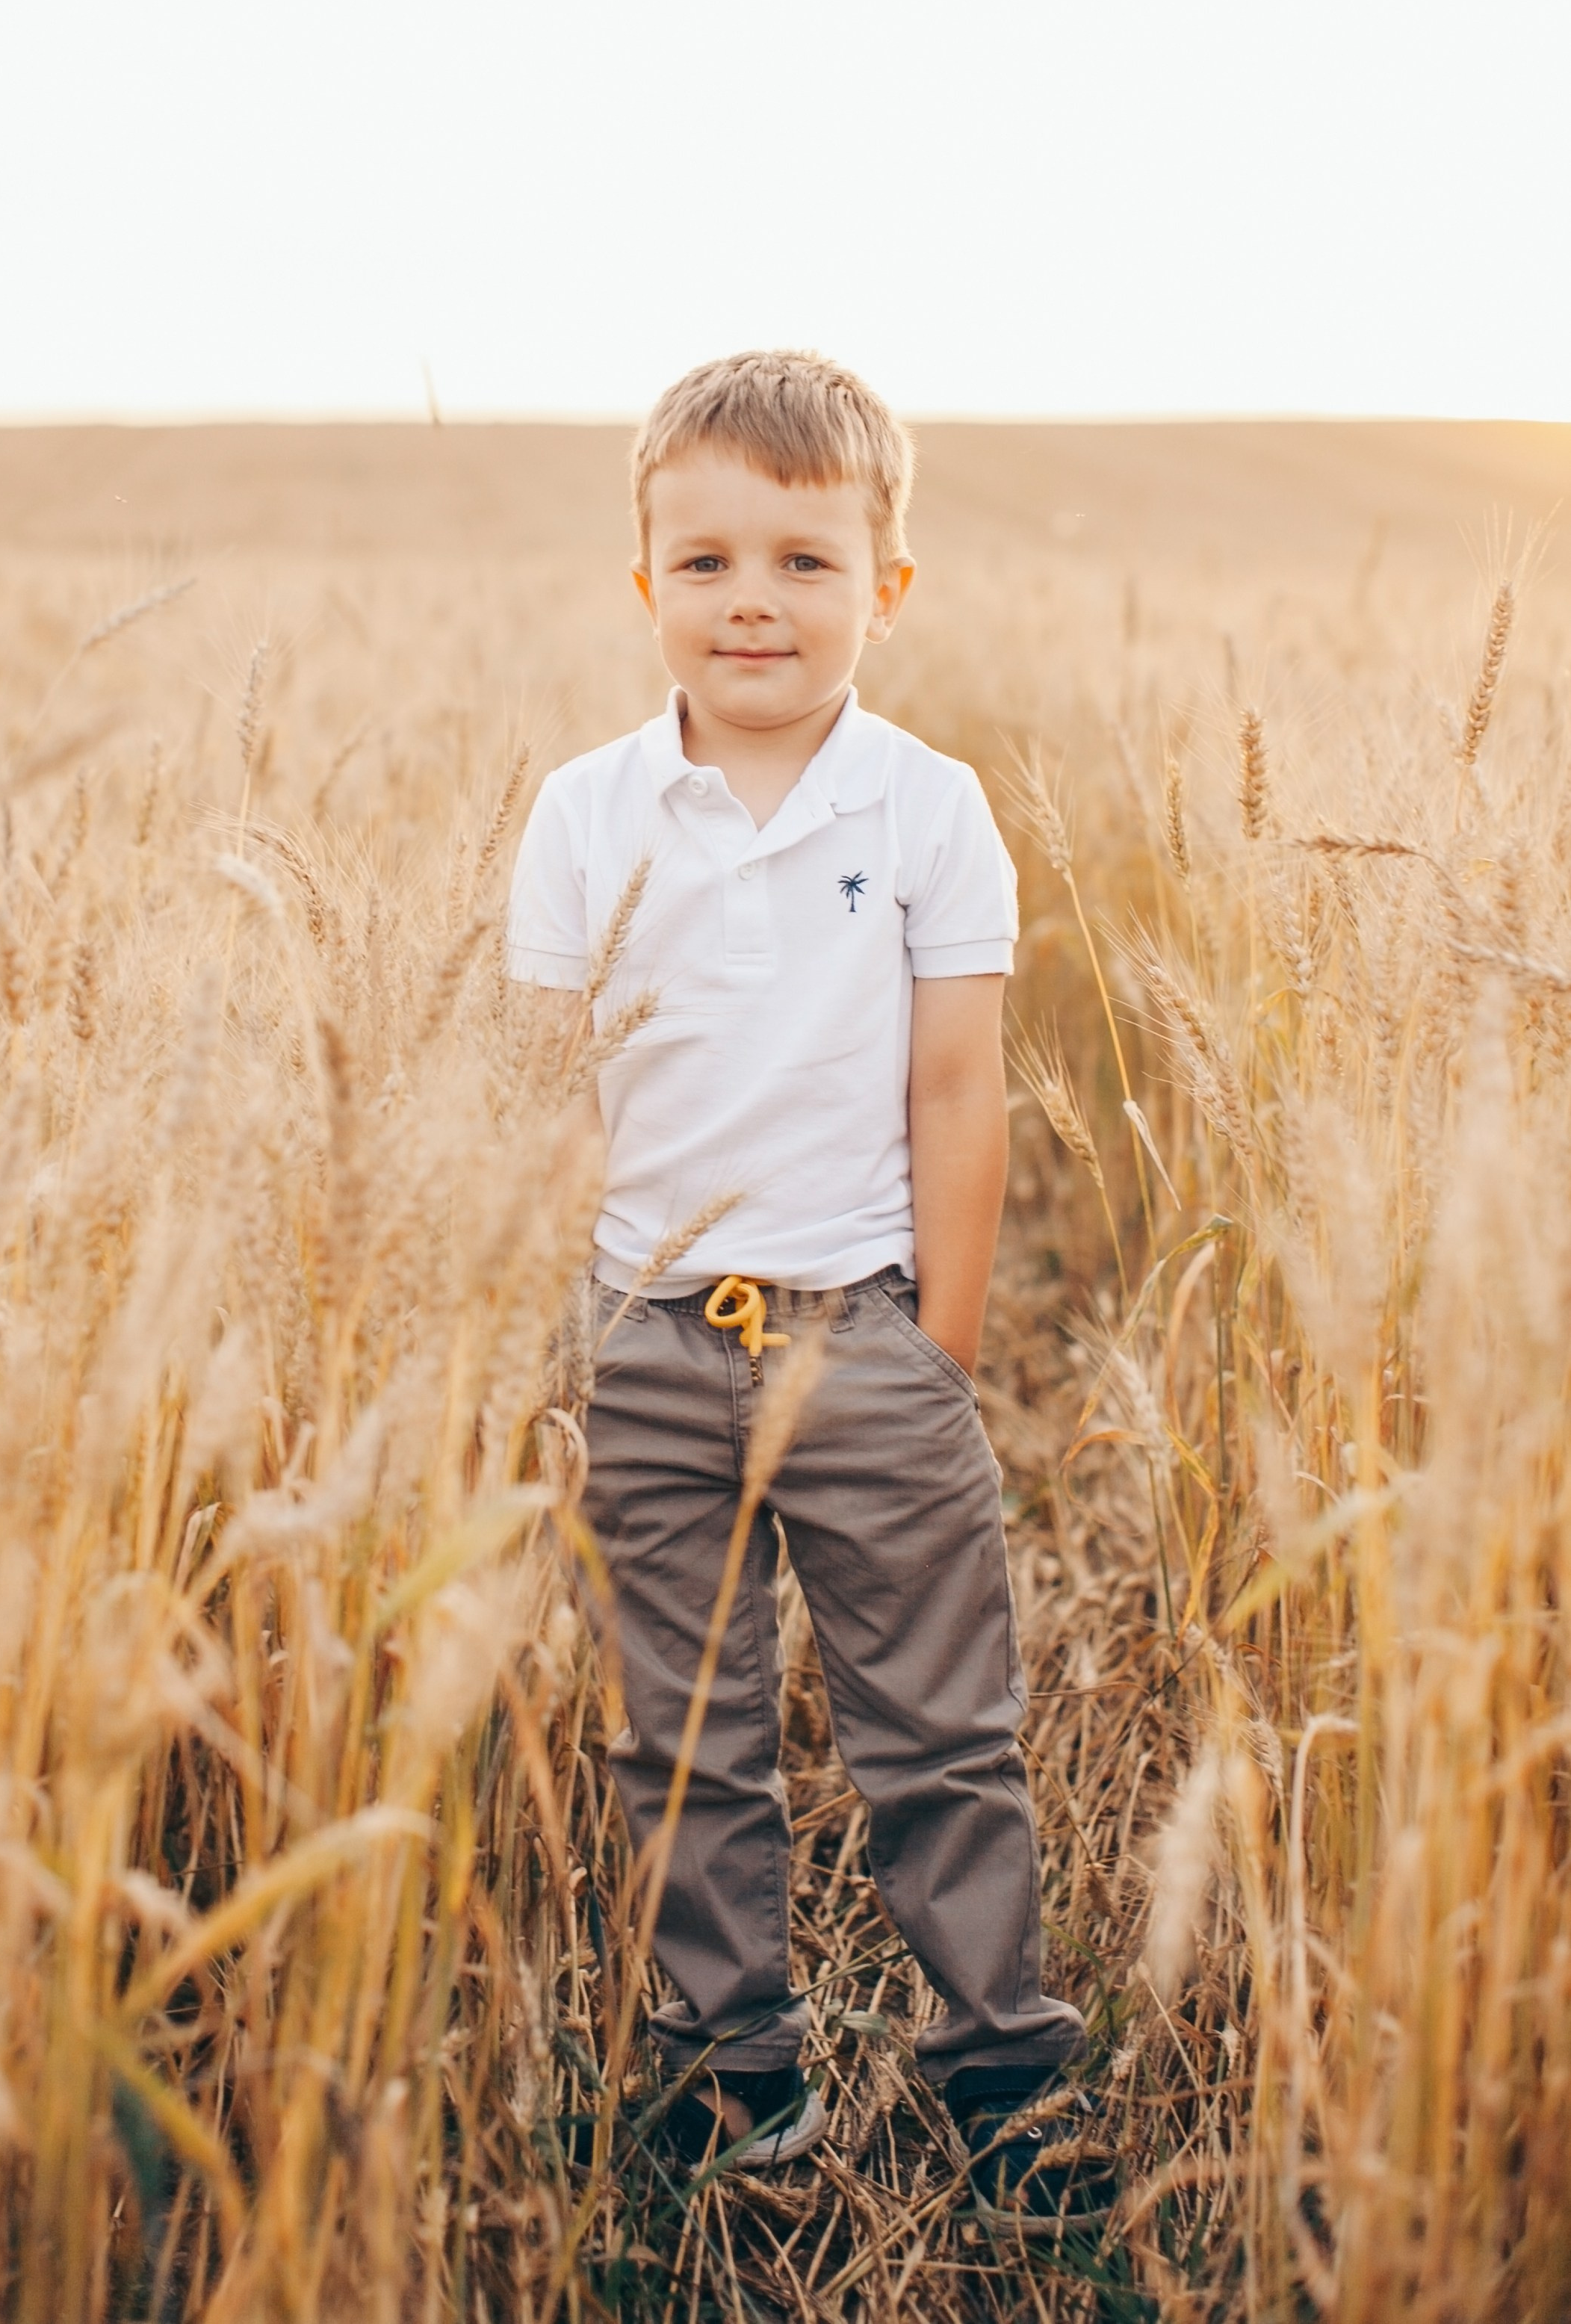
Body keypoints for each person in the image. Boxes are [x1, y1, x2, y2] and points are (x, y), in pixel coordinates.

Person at [508, 350, 1101, 2222]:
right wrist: (560, 1346)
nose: (750, 601)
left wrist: (938, 1351)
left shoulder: (927, 808)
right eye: (704, 563)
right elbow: (550, 1101)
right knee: (681, 1736)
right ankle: (732, 2073)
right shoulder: (584, 813)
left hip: (859, 1331)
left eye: (801, 561)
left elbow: (957, 1089)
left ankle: (1003, 2067)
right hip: (646, 1341)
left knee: (940, 1733)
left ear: (885, 587)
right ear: (645, 585)